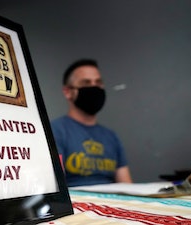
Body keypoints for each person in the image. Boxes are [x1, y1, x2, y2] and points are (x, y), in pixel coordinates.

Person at [51, 59, 132, 187]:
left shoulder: (111, 136)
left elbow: (126, 184)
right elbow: (56, 186)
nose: (94, 87)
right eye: (86, 83)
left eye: (98, 83)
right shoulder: (55, 131)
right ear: (68, 92)